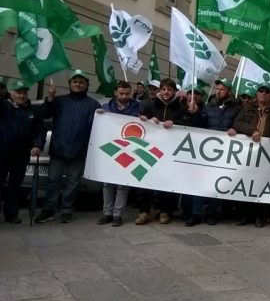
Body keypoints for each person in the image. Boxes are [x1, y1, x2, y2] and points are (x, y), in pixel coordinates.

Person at [35, 70, 101, 224]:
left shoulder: (93, 104)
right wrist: (50, 98)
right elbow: (43, 115)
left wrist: (102, 115)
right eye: (74, 82)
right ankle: (48, 210)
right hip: (58, 149)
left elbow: (98, 127)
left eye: (81, 82)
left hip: (79, 150)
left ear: (86, 85)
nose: (77, 84)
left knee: (72, 183)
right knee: (52, 180)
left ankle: (66, 210)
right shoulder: (59, 101)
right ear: (70, 84)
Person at [186, 78, 242, 226]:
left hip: (225, 152)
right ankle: (195, 213)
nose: (218, 91)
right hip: (207, 151)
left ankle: (212, 212)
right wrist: (195, 113)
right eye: (217, 89)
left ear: (229, 91)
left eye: (222, 89)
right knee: (201, 182)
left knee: (218, 183)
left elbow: (239, 125)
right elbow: (200, 124)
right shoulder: (207, 107)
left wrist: (236, 129)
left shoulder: (236, 109)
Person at [137, 78, 192, 225]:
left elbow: (187, 124)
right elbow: (142, 119)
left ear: (174, 91)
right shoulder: (151, 105)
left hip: (170, 150)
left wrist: (175, 123)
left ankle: (164, 211)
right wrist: (145, 119)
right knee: (146, 180)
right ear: (160, 90)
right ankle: (144, 211)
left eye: (169, 89)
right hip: (151, 149)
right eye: (163, 89)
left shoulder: (180, 108)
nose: (166, 92)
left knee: (166, 181)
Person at [232, 83, 270, 227]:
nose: (263, 94)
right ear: (257, 94)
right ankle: (244, 215)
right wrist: (251, 131)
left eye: (266, 92)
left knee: (261, 184)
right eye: (260, 91)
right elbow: (237, 123)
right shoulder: (248, 109)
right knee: (246, 183)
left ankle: (259, 217)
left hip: (266, 153)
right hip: (248, 154)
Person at [95, 81, 141, 227]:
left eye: (127, 93)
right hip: (110, 150)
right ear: (115, 92)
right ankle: (107, 213)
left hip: (128, 150)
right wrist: (98, 116)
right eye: (121, 93)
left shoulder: (137, 108)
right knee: (107, 183)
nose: (124, 96)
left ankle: (117, 215)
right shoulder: (106, 108)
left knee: (122, 184)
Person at [0, 81, 45, 224]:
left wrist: (37, 145)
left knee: (15, 186)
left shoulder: (32, 111)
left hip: (21, 155)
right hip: (2, 153)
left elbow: (39, 131)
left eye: (24, 93)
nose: (21, 95)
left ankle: (11, 214)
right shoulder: (4, 107)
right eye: (18, 92)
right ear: (11, 94)